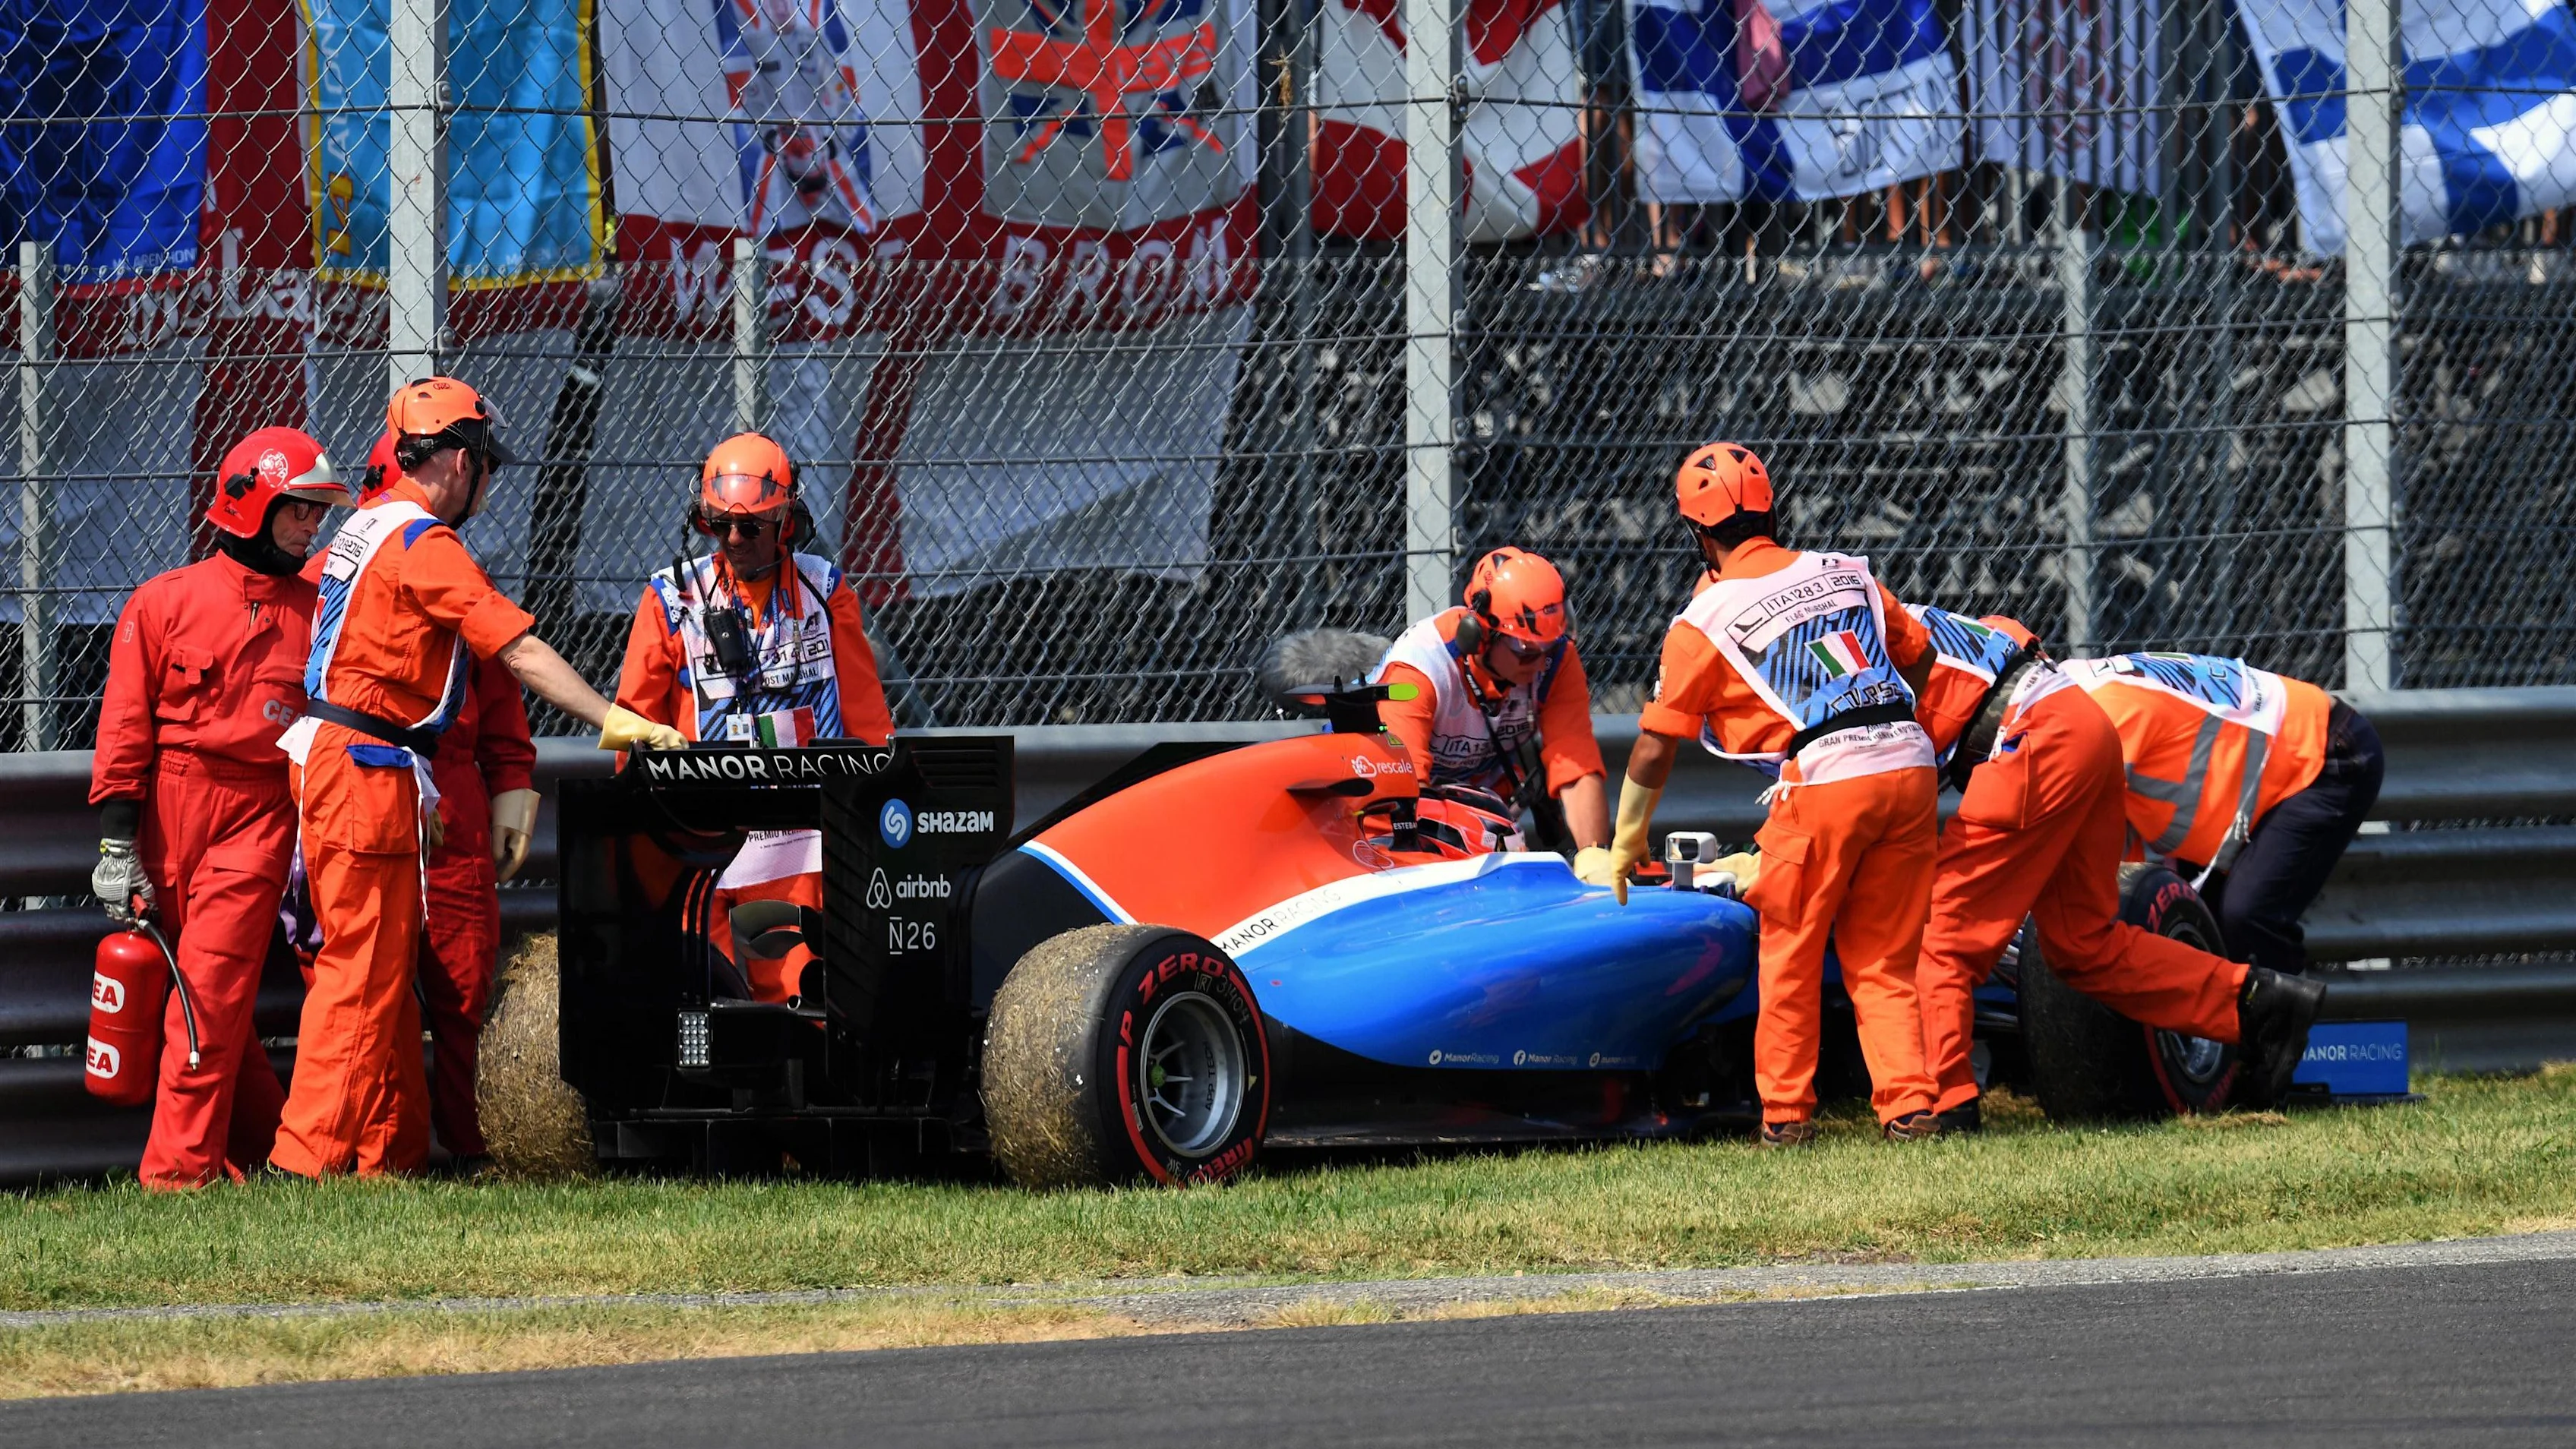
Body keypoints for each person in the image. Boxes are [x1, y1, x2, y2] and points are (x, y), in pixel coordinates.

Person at [269, 377, 686, 1179]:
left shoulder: (364, 529)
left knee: (372, 972)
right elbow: (516, 649)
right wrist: (612, 717)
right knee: (361, 976)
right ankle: (302, 1162)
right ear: (461, 462)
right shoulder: (425, 545)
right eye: (487, 465)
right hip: (366, 768)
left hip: (352, 762)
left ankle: (371, 1160)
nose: (488, 482)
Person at [1577, 442, 1944, 1145]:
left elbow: (1655, 744)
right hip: (1911, 763)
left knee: (1791, 948)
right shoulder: (1847, 571)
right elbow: (1920, 655)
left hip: (1824, 778)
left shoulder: (1703, 620)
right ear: (1773, 509)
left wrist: (1625, 843)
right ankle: (1910, 1107)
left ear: (1698, 532)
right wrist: (1895, 738)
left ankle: (1785, 1119)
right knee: (1885, 956)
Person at [1905, 608, 2329, 1126]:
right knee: (2082, 943)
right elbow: (2004, 632)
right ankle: (2258, 1003)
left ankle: (1947, 1108)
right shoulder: (1892, 609)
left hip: (2027, 739)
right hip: (2076, 725)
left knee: (1943, 938)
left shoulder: (1823, 628)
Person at [89, 427, 353, 1188]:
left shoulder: (320, 612)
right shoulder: (162, 602)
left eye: (318, 513)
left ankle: (176, 1178)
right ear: (251, 505)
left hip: (260, 813)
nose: (312, 527)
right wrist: (116, 847)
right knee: (210, 1003)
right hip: (167, 813)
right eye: (299, 510)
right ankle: (276, 1153)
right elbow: (126, 730)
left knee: (203, 993)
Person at [306, 431, 539, 1164]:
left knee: (463, 985)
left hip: (450, 793)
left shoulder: (449, 565)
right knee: (369, 989)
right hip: (372, 780)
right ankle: (387, 1157)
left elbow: (501, 691)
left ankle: (478, 1152)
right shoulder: (331, 574)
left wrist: (515, 787)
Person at [613, 432, 894, 1002]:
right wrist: (640, 835)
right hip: (699, 828)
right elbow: (633, 725)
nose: (735, 540)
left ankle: (800, 1087)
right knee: (699, 998)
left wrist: (874, 813)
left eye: (752, 527)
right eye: (720, 526)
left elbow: (867, 722)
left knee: (800, 995)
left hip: (793, 829)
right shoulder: (670, 599)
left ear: (787, 523)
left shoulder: (827, 591)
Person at [2061, 652, 2384, 977]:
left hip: (2321, 755)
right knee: (2201, 931)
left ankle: (2281, 1024)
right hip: (2251, 774)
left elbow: (2080, 851)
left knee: (2247, 917)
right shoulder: (2073, 689)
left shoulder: (2102, 719)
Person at [1369, 547, 1609, 854]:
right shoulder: (1419, 672)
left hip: (1478, 817)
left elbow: (1576, 767)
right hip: (1387, 815)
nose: (1541, 664)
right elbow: (1401, 795)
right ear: (1479, 637)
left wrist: (1595, 856)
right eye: (1527, 651)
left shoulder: (1556, 661)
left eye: (1550, 646)